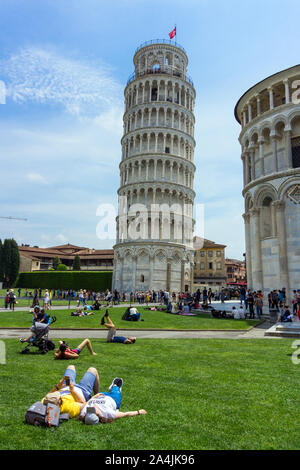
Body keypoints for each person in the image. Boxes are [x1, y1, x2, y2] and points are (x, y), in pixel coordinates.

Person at [79, 377, 147, 425]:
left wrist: (94, 397)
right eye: (93, 411)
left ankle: (113, 387)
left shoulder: (84, 411)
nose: (92, 408)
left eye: (89, 411)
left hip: (100, 395)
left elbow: (85, 403)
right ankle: (115, 386)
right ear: (97, 415)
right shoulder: (108, 413)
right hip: (114, 399)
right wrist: (138, 412)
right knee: (118, 384)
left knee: (110, 389)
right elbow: (125, 414)